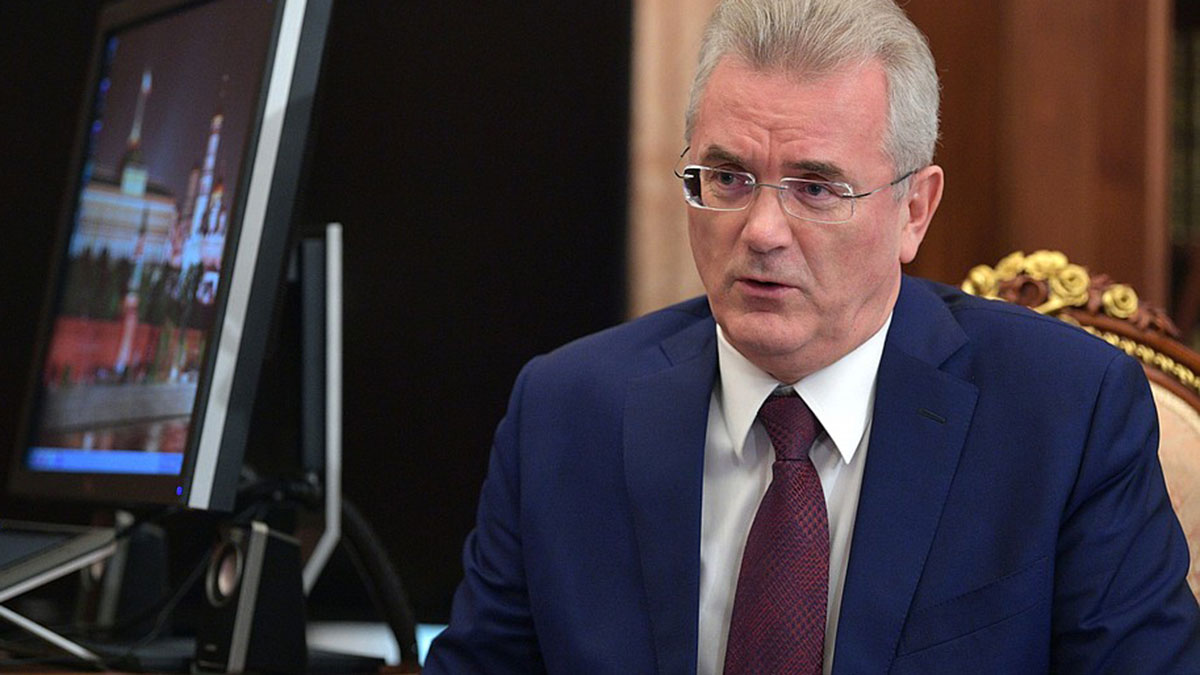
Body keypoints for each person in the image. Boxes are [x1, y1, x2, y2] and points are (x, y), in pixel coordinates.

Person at [424, 0, 1200, 672]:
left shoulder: (1065, 416)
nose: (762, 230)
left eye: (817, 188)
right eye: (728, 178)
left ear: (914, 210)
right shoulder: (564, 413)